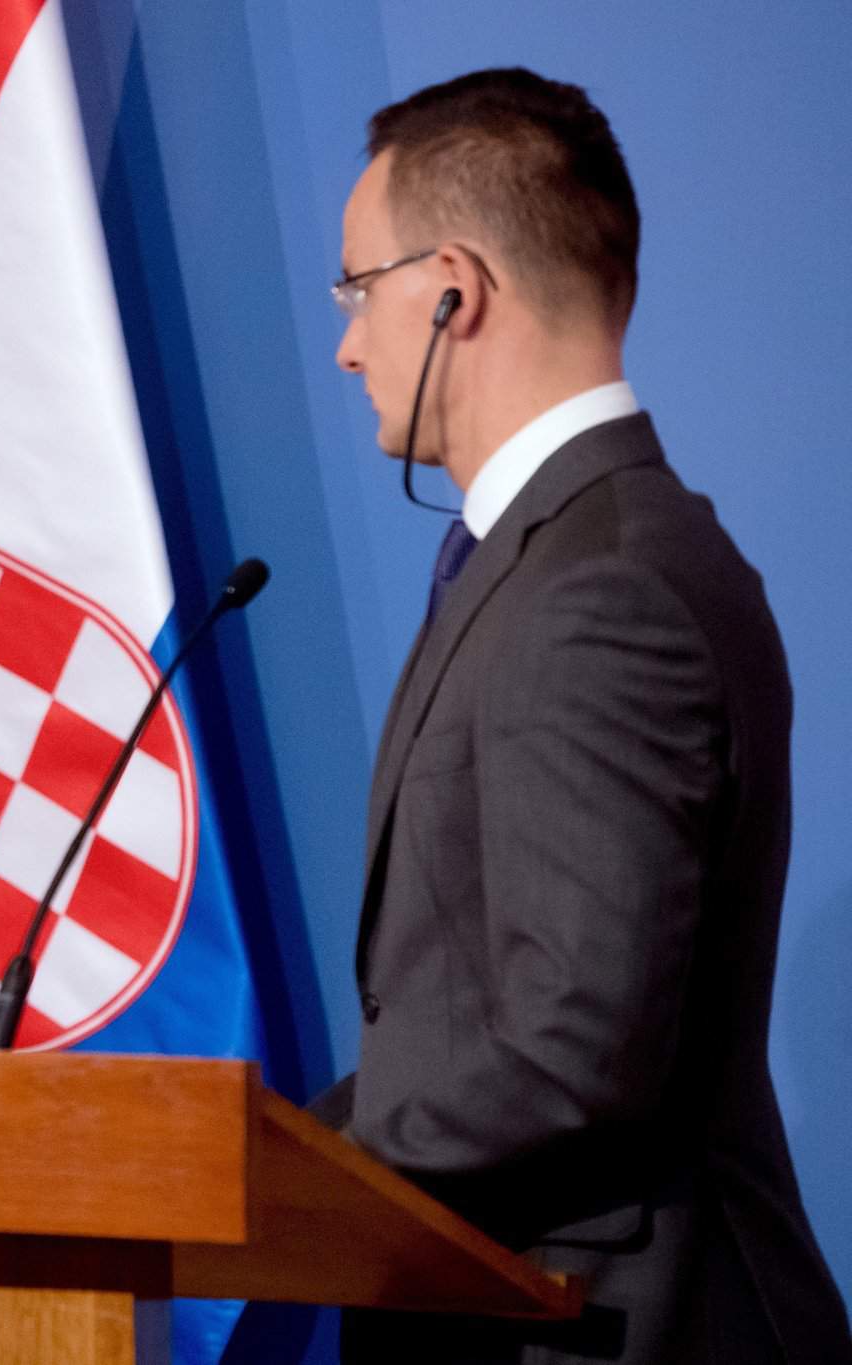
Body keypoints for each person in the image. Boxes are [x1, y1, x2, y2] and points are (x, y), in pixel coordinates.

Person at [314, 68, 851, 1361]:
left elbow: (570, 1050)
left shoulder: (599, 588)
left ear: (453, 289)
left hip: (612, 1327)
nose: (346, 345)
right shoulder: (571, 556)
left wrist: (277, 1167)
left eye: (357, 290)